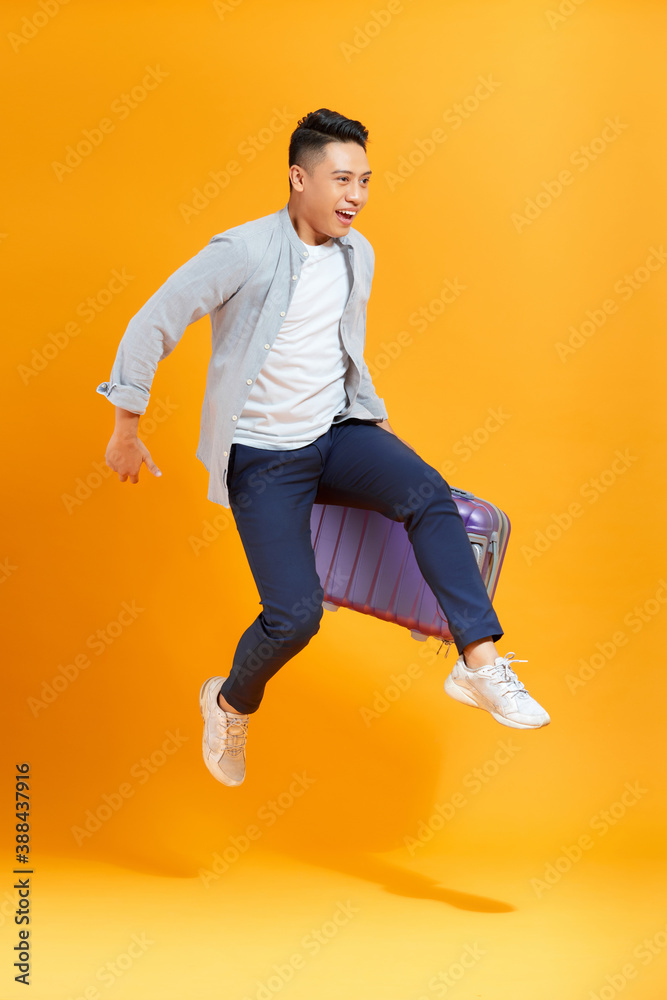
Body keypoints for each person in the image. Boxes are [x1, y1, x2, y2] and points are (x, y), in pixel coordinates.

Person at [96, 108, 550, 789]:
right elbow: (153, 320)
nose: (355, 196)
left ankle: (477, 666)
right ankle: (227, 703)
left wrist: (366, 425)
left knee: (429, 494)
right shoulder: (243, 250)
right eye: (341, 179)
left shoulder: (356, 253)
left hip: (333, 434)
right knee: (294, 617)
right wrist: (125, 427)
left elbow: (335, 353)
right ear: (297, 178)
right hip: (262, 459)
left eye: (365, 181)